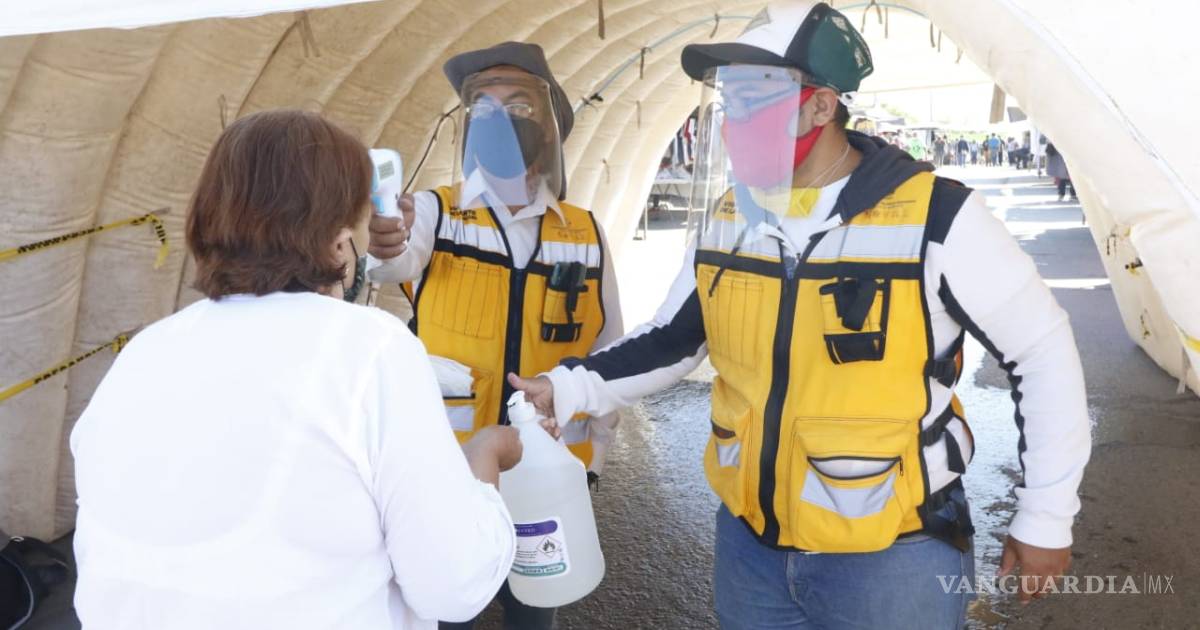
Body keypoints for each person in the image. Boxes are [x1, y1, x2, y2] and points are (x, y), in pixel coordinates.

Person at [511, 2, 1091, 627]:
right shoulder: (731, 217)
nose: (733, 120)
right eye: (728, 98)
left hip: (895, 555)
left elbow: (1042, 354)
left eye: (753, 97)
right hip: (750, 549)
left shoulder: (938, 218)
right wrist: (564, 388)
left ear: (820, 106)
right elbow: (673, 339)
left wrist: (1045, 516)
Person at [70, 110, 522, 630]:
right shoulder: (372, 349)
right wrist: (484, 458)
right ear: (338, 241)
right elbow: (453, 585)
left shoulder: (144, 352)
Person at [366, 42, 623, 630]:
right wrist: (386, 239)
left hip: (546, 472)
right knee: (451, 609)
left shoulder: (585, 234)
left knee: (534, 609)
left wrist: (594, 462)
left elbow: (610, 350)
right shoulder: (435, 213)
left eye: (517, 106)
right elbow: (394, 261)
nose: (497, 119)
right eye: (482, 107)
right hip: (451, 469)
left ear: (549, 128)